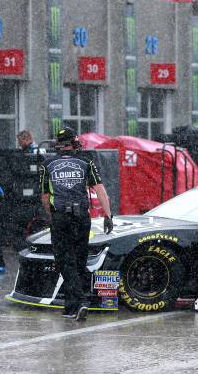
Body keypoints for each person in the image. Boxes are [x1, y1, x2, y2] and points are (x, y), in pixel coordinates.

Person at [39, 127, 113, 321]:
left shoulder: (47, 164)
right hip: (82, 218)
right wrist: (108, 215)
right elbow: (101, 190)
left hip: (61, 217)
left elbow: (45, 197)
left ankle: (79, 302)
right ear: (73, 142)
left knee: (65, 262)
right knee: (79, 261)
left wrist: (51, 215)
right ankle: (71, 307)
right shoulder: (86, 162)